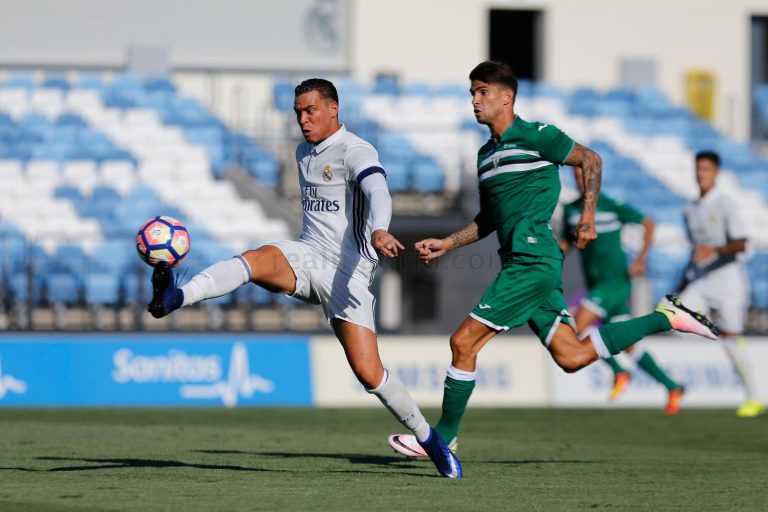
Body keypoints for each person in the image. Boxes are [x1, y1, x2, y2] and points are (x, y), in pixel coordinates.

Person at [387, 61, 719, 459]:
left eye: (483, 92)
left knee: (463, 342)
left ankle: (443, 437)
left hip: (532, 261)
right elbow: (489, 219)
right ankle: (664, 318)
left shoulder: (537, 135)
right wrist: (448, 242)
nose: (474, 101)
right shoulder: (485, 155)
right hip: (523, 262)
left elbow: (591, 160)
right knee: (572, 356)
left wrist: (588, 216)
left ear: (507, 97)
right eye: (472, 93)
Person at [147, 78, 462, 478]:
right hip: (308, 255)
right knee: (254, 260)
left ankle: (430, 440)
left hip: (348, 274)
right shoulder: (302, 152)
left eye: (310, 110)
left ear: (333, 109)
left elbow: (378, 191)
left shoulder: (356, 150)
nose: (303, 119)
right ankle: (175, 297)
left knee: (370, 374)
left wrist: (380, 228)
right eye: (298, 112)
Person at [560, 168, 685, 414]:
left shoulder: (611, 205)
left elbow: (648, 223)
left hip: (614, 283)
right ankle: (672, 386)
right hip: (595, 284)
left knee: (577, 328)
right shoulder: (571, 210)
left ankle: (619, 371)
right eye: (575, 176)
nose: (579, 180)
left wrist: (640, 259)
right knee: (627, 344)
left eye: (583, 176)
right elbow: (567, 243)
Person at [679, 151, 765, 418]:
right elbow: (696, 251)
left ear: (716, 172)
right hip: (701, 281)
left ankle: (754, 397)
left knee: (730, 342)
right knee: (668, 313)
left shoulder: (725, 204)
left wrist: (714, 250)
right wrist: (683, 281)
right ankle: (669, 384)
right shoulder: (689, 209)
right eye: (698, 168)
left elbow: (741, 243)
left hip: (729, 282)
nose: (700, 174)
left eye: (706, 169)